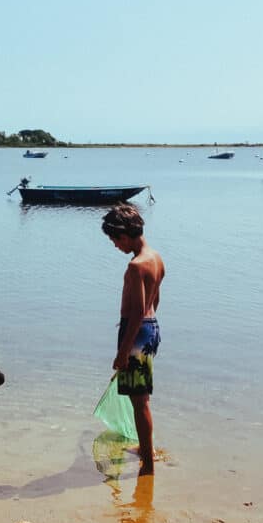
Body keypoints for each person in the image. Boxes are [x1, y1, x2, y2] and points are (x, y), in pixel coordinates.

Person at [101, 203, 165, 476]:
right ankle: (145, 449)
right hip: (149, 328)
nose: (115, 246)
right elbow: (155, 300)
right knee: (141, 398)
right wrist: (145, 329)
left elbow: (137, 310)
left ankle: (148, 463)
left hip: (136, 333)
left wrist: (123, 351)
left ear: (125, 234)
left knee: (140, 402)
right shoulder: (156, 258)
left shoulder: (136, 266)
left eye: (115, 240)